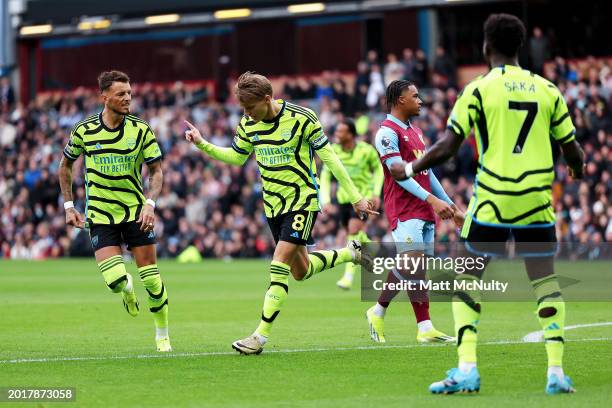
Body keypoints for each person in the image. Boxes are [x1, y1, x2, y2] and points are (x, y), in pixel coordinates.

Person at [391, 14, 585, 394]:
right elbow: (572, 149)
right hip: (535, 201)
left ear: (485, 47)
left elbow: (448, 146)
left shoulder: (478, 90)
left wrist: (409, 167)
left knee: (467, 277)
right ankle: (556, 373)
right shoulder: (547, 89)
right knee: (545, 280)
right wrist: (576, 171)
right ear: (521, 47)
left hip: (494, 200)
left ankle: (467, 369)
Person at [184, 71, 377, 355]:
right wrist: (202, 143)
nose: (247, 114)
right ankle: (352, 253)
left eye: (250, 108)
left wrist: (355, 197)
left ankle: (259, 337)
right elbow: (237, 157)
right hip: (273, 205)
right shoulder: (249, 123)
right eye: (244, 110)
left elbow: (330, 158)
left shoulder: (302, 118)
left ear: (267, 98)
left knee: (279, 264)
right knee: (302, 271)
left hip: (301, 201)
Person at [58, 70, 171, 352]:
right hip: (100, 215)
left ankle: (162, 334)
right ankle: (126, 291)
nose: (127, 99)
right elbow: (65, 165)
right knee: (116, 281)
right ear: (104, 97)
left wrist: (150, 203)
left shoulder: (141, 129)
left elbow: (157, 172)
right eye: (121, 94)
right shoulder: (84, 130)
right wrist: (69, 205)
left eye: (129, 93)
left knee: (153, 281)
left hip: (135, 213)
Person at [367, 79, 461, 344]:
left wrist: (452, 207)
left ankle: (423, 327)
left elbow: (427, 173)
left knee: (417, 269)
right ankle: (381, 311)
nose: (420, 101)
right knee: (411, 262)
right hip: (403, 206)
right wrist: (433, 200)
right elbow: (399, 176)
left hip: (423, 206)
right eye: (415, 96)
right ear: (400, 100)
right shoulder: (386, 133)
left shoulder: (417, 133)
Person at [319, 118, 383, 290]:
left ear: (351, 134)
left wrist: (376, 193)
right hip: (343, 200)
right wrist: (325, 200)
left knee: (353, 230)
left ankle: (348, 276)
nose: (337, 134)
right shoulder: (334, 151)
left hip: (364, 199)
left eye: (341, 131)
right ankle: (374, 250)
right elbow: (325, 175)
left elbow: (378, 170)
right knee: (352, 235)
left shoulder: (366, 150)